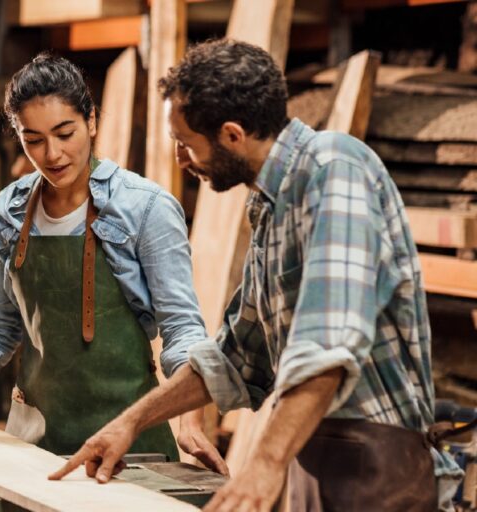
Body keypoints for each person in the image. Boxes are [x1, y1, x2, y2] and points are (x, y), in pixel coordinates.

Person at [50, 39, 463, 512]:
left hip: (380, 467)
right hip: (316, 459)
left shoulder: (334, 170)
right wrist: (130, 423)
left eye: (186, 145)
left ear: (231, 135)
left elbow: (327, 346)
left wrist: (265, 464)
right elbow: (235, 357)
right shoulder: (270, 206)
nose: (182, 160)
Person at [0, 53, 227, 474]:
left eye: (65, 133)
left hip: (130, 447)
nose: (52, 154)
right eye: (33, 140)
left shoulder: (146, 207)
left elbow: (182, 329)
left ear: (91, 122)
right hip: (32, 449)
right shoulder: (10, 210)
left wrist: (191, 421)